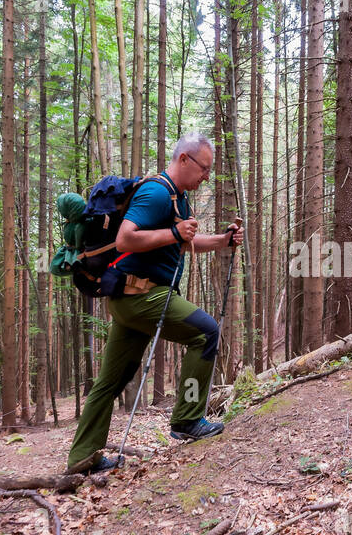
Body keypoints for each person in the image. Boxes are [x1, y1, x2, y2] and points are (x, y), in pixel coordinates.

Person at [66, 133, 243, 474]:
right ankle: (189, 418)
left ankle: (82, 459)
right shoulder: (157, 192)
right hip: (142, 296)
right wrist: (177, 234)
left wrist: (221, 241)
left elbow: (177, 244)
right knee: (205, 333)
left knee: (111, 380)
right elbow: (126, 238)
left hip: (131, 298)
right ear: (183, 160)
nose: (206, 176)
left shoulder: (179, 199)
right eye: (203, 168)